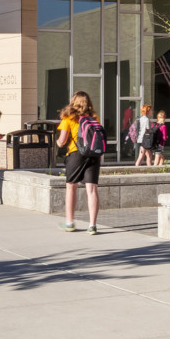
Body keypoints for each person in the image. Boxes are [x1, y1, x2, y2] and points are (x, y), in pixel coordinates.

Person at [56, 91, 102, 234]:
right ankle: (92, 226)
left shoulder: (68, 118)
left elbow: (62, 141)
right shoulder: (94, 118)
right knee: (92, 190)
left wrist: (57, 142)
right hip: (94, 155)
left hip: (76, 154)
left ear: (74, 101)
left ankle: (70, 223)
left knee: (71, 187)